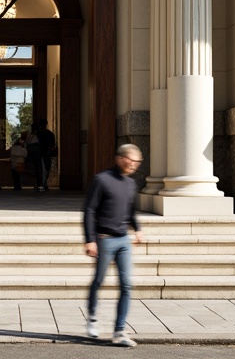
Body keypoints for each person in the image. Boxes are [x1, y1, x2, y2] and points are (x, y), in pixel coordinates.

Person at [83, 144, 144, 348]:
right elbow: (89, 210)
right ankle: (92, 317)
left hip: (123, 240)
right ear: (120, 158)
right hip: (104, 239)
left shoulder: (130, 183)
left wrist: (137, 228)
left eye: (138, 162)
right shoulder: (102, 179)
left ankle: (119, 331)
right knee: (99, 280)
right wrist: (90, 239)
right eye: (131, 160)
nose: (134, 165)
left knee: (127, 285)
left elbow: (130, 209)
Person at [34, 117, 57, 191]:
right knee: (46, 169)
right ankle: (43, 184)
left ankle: (39, 185)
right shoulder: (49, 134)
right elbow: (52, 145)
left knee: (38, 169)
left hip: (38, 153)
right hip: (46, 153)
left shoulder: (36, 133)